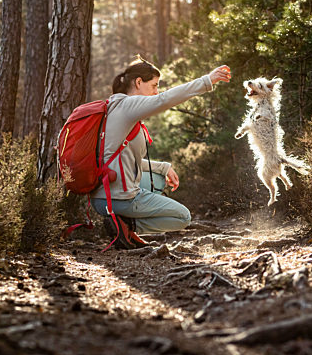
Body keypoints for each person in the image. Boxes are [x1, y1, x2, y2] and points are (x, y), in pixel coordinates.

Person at [90, 56, 231, 249]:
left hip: (102, 196)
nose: (157, 91)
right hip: (116, 198)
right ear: (138, 82)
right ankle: (127, 225)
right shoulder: (128, 106)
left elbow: (125, 160)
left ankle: (122, 223)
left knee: (159, 177)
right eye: (154, 85)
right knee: (183, 217)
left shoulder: (114, 106)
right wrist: (207, 80)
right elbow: (164, 100)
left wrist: (163, 167)